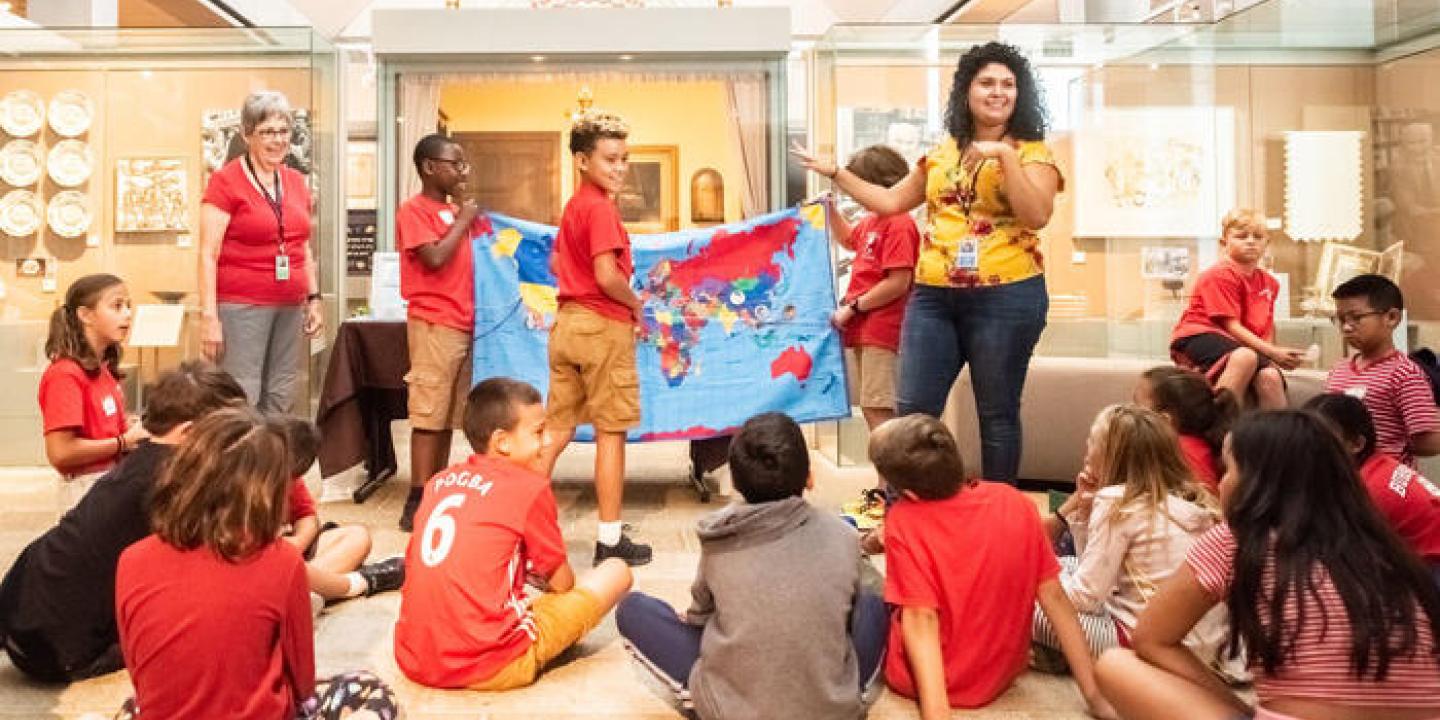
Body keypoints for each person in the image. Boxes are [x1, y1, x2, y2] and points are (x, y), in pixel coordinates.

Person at [793, 41, 1063, 484]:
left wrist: (1006, 157)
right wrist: (836, 172)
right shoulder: (941, 154)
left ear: (1021, 93)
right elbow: (890, 199)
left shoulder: (1033, 153)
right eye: (987, 83)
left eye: (1008, 84)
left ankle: (998, 515)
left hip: (1007, 296)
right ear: (967, 91)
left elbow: (1037, 214)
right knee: (912, 409)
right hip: (934, 298)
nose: (998, 92)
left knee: (996, 412)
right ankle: (906, 513)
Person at [1096, 411, 1440, 720]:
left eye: (1228, 469)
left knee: (1116, 665)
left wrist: (1238, 709)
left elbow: (1149, 638)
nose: (1221, 481)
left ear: (1258, 481)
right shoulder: (1387, 544)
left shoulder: (1238, 537)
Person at [115, 408, 398, 719]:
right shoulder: (281, 562)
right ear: (266, 493)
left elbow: (139, 674)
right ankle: (357, 584)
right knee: (372, 692)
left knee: (134, 705)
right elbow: (302, 685)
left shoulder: (130, 561)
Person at [615, 412, 887, 720]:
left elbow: (699, 619)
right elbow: (852, 613)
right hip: (833, 707)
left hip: (732, 709)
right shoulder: (844, 535)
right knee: (875, 605)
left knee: (633, 609)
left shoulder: (720, 537)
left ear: (737, 484)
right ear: (810, 477)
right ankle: (843, 692)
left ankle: (711, 693)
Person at [0, 361, 244, 683]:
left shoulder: (140, 462)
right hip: (64, 652)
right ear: (189, 433)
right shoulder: (175, 482)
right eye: (227, 436)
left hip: (18, 621)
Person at [394, 377, 633, 690]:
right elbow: (562, 583)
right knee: (616, 572)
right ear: (502, 442)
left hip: (416, 659)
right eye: (538, 432)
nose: (547, 442)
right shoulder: (529, 488)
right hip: (491, 664)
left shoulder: (440, 481)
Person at [871, 414, 1114, 718]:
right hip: (1001, 674)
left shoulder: (904, 520)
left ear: (908, 493)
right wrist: (1092, 691)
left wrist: (937, 712)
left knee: (867, 595)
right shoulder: (1014, 502)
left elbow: (921, 618)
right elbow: (1054, 597)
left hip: (929, 682)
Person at [1033, 406, 1234, 678]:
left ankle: (1065, 657)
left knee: (1025, 599)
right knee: (1060, 565)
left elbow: (1085, 596)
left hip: (1145, 643)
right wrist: (1083, 513)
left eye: (1092, 441)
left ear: (1110, 455)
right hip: (1204, 647)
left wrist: (1034, 587)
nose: (1086, 447)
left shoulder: (1116, 500)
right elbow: (1090, 570)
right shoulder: (1188, 500)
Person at [535, 110, 651, 564]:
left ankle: (518, 521)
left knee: (557, 429)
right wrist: (635, 303)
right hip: (602, 326)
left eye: (624, 158)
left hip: (567, 325)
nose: (619, 167)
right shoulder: (601, 209)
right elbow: (606, 275)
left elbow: (556, 266)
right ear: (582, 160)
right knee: (611, 432)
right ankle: (608, 539)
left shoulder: (575, 205)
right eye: (609, 159)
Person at [199, 90, 323, 414]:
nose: (277, 140)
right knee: (242, 394)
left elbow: (302, 246)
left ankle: (274, 464)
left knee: (281, 393)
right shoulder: (225, 182)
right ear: (247, 134)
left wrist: (314, 298)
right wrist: (209, 317)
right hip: (241, 306)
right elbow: (207, 254)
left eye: (283, 131)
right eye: (267, 131)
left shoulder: (296, 181)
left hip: (290, 304)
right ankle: (240, 464)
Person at [396, 132, 490, 532]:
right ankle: (416, 497)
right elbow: (433, 257)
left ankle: (436, 487)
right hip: (435, 321)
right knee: (428, 412)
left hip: (464, 321)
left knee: (449, 415)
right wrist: (465, 220)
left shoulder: (456, 213)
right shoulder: (414, 210)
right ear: (430, 167)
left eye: (464, 163)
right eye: (455, 163)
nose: (462, 171)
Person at [1169, 208, 1303, 410]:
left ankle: (1279, 438)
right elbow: (1230, 325)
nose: (1250, 241)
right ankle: (1217, 422)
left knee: (1270, 377)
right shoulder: (1218, 275)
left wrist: (1269, 360)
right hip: (1199, 334)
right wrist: (1272, 353)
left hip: (1238, 343)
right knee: (1245, 357)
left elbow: (1266, 326)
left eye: (1258, 237)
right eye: (1241, 236)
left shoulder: (1270, 283)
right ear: (1224, 243)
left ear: (1266, 243)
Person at [39, 273, 149, 510]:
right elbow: (61, 452)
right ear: (85, 315)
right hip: (85, 490)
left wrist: (127, 427)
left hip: (111, 481)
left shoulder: (103, 370)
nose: (128, 314)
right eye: (117, 306)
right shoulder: (65, 374)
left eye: (128, 306)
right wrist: (123, 442)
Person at [1305, 393, 1440, 578]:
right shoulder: (1378, 465)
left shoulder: (1366, 490)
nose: (1310, 445)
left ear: (1356, 444)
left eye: (1324, 438)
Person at [275, 417, 404, 603]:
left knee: (357, 537)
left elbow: (307, 516)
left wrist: (297, 543)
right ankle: (343, 584)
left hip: (289, 557)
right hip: (265, 564)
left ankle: (305, 588)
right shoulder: (241, 489)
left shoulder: (288, 477)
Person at [1324, 273, 1440, 467]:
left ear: (1392, 317)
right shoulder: (1338, 370)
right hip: (1343, 480)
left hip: (1385, 484)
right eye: (1340, 319)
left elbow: (1429, 442)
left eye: (1356, 318)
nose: (1346, 327)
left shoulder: (1405, 373)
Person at [1134, 366, 1238, 494]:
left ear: (1165, 420)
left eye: (1137, 406)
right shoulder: (1180, 448)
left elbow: (1205, 506)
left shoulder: (1184, 454)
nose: (1130, 413)